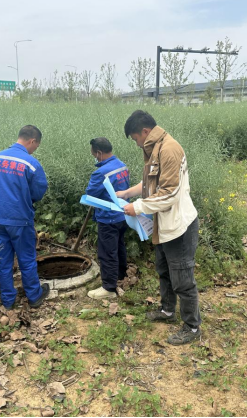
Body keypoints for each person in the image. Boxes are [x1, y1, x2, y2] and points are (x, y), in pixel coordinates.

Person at [117, 110, 201, 345]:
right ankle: (167, 310)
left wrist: (138, 207)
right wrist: (127, 193)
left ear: (145, 132)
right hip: (163, 224)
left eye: (136, 138)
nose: (136, 143)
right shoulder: (156, 149)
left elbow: (170, 193)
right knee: (164, 270)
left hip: (179, 227)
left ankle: (192, 327)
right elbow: (150, 183)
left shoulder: (169, 149)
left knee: (182, 278)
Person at [0, 125, 50, 309]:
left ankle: (8, 300)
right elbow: (39, 190)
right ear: (32, 141)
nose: (34, 150)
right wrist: (26, 199)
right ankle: (34, 296)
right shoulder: (30, 164)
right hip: (20, 219)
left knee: (3, 260)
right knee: (26, 258)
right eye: (36, 146)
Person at [85, 137, 130, 300]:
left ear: (99, 152)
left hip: (108, 218)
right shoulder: (122, 165)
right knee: (119, 246)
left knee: (107, 252)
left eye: (94, 155)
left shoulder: (100, 172)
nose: (95, 158)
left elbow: (90, 194)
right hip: (123, 214)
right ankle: (121, 275)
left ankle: (109, 287)